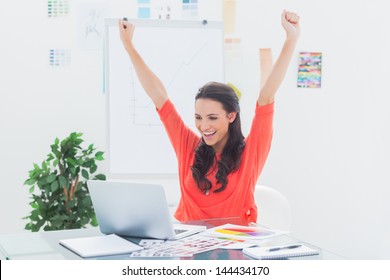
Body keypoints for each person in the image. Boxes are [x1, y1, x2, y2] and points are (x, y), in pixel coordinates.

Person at [118, 10, 300, 223]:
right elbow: (159, 96)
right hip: (187, 249)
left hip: (233, 250)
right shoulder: (189, 148)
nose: (204, 126)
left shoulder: (249, 155)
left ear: (231, 116)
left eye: (212, 118)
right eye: (199, 117)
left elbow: (266, 96)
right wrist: (129, 46)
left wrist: (291, 38)